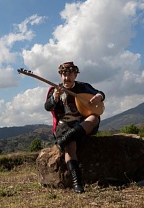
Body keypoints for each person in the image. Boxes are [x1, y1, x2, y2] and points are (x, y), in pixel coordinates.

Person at [45, 61, 105, 193]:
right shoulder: (55, 90)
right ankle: (77, 183)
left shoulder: (83, 87)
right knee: (70, 147)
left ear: (75, 75)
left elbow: (100, 93)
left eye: (69, 75)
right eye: (64, 75)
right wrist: (55, 97)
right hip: (65, 125)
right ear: (60, 76)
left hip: (83, 123)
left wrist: (98, 97)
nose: (66, 78)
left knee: (94, 118)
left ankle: (65, 139)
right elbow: (47, 107)